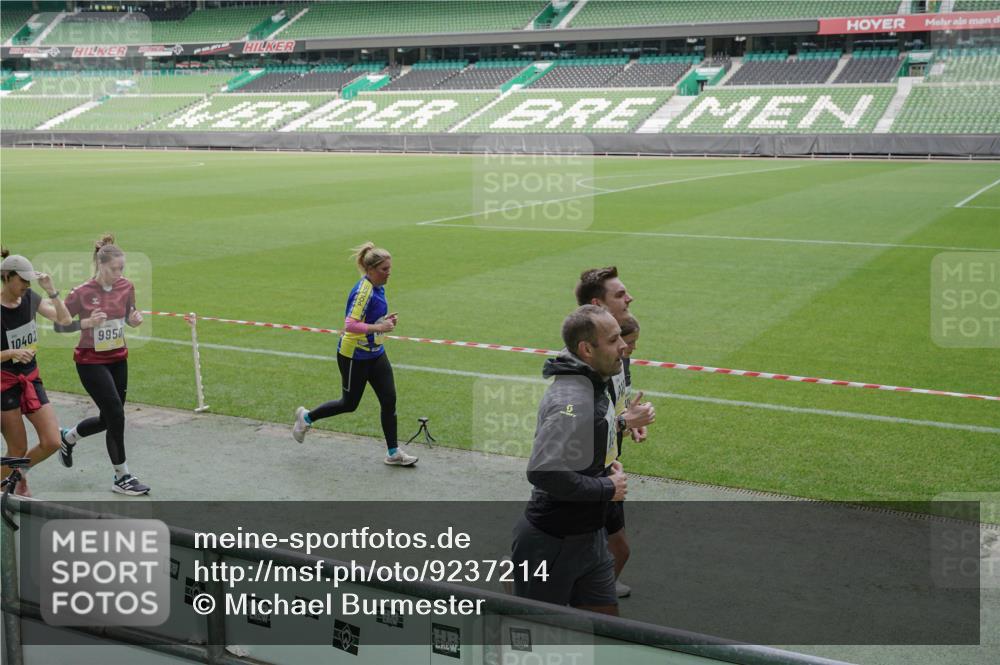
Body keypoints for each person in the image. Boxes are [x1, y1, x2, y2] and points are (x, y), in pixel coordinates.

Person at [511, 305, 654, 615]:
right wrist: (607, 487)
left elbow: (589, 432)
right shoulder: (572, 401)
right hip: (551, 542)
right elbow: (542, 471)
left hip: (590, 537)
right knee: (534, 638)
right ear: (587, 349)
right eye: (614, 340)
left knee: (603, 629)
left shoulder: (592, 382)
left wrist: (621, 427)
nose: (623, 347)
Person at [292, 242, 417, 466]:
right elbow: (350, 324)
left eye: (390, 268)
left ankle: (393, 452)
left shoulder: (379, 286)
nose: (389, 273)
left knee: (389, 400)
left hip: (375, 352)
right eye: (384, 269)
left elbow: (369, 319)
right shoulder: (363, 291)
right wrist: (379, 328)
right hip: (354, 356)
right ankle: (306, 417)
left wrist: (385, 321)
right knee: (349, 404)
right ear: (371, 270)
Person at [575, 267, 650, 599]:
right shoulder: (585, 362)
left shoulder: (618, 350)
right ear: (598, 303)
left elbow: (617, 399)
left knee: (615, 547)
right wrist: (623, 423)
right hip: (585, 474)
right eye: (620, 294)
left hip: (607, 466)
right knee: (604, 546)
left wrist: (630, 420)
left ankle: (590, 592)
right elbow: (580, 424)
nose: (629, 297)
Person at [58, 234, 149, 496]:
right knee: (117, 416)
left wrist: (135, 320)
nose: (118, 274)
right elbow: (60, 324)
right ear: (100, 266)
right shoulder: (81, 293)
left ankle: (68, 437)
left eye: (122, 268)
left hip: (118, 359)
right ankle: (122, 477)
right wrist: (86, 324)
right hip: (90, 361)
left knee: (108, 418)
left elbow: (129, 318)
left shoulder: (126, 286)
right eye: (114, 269)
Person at [1, 249, 72, 496]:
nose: (26, 285)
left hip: (31, 378)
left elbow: (64, 320)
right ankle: (4, 487)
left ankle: (18, 475)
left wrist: (52, 291)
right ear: (7, 277)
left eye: (28, 280)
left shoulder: (30, 297)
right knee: (17, 449)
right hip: (5, 383)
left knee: (52, 441)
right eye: (22, 279)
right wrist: (10, 353)